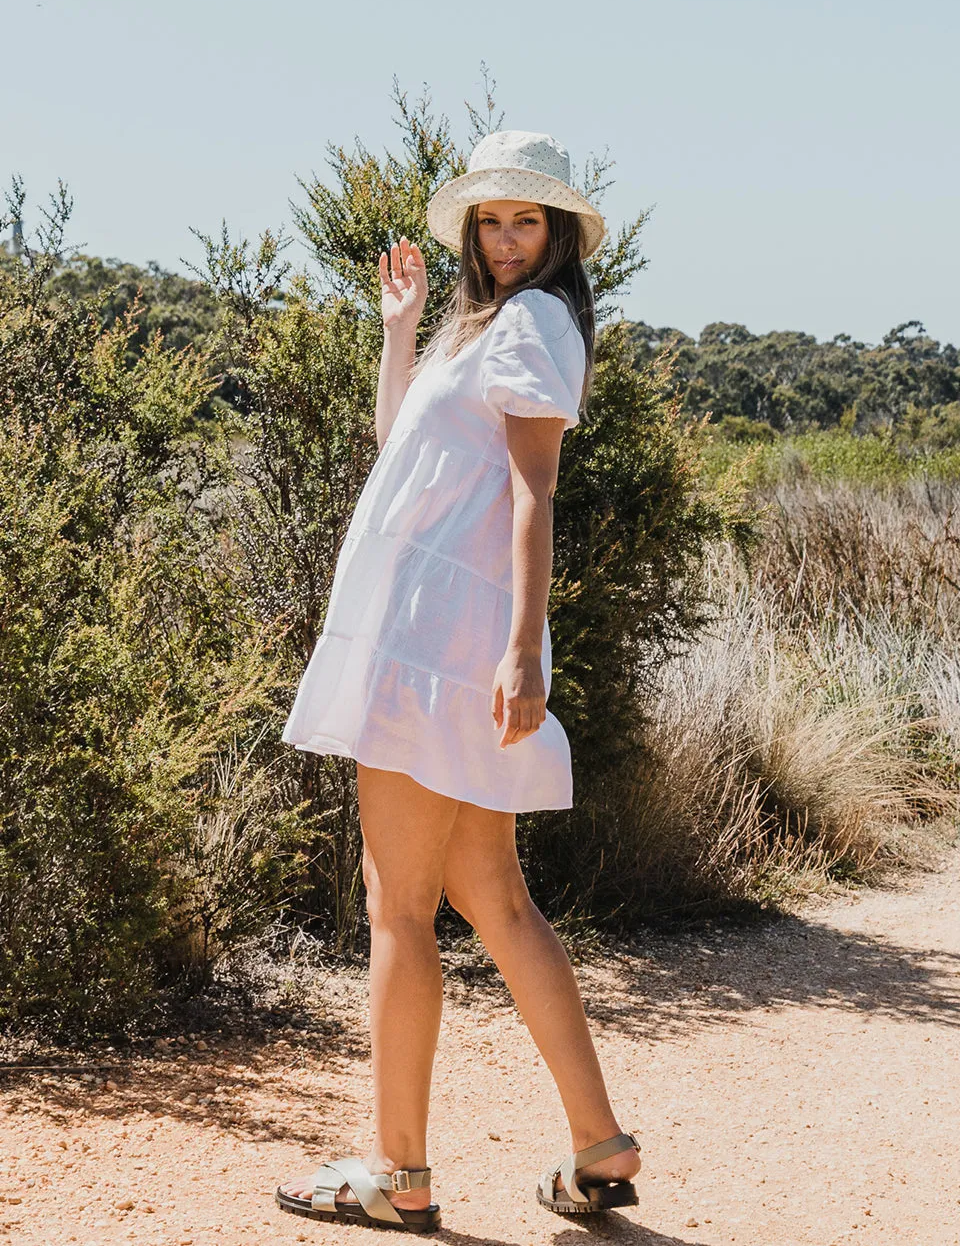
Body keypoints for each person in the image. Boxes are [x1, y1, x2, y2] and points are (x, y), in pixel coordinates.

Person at [274, 130, 641, 1232]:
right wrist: (399, 334)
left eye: (526, 220)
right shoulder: (483, 325)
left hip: (441, 651)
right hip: (437, 645)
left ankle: (398, 1170)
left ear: (561, 233)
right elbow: (402, 450)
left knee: (398, 905)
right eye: (491, 220)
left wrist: (525, 645)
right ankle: (600, 1144)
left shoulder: (533, 323)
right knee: (494, 895)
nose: (506, 237)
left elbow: (535, 491)